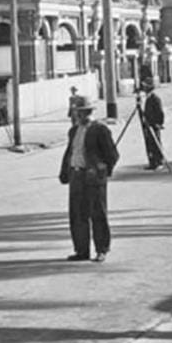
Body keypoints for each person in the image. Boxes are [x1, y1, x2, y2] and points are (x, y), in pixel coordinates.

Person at [58, 95, 119, 262]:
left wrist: (102, 170)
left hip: (93, 177)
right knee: (77, 214)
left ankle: (101, 250)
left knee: (97, 213)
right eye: (78, 112)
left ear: (89, 112)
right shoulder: (73, 131)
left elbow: (112, 154)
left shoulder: (100, 129)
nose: (80, 116)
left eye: (83, 112)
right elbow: (70, 152)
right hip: (76, 176)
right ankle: (81, 250)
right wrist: (65, 172)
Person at [139, 76, 165, 170]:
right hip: (148, 124)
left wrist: (159, 123)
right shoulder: (147, 98)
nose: (144, 88)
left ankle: (159, 161)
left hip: (154, 124)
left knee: (156, 143)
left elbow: (160, 112)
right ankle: (152, 162)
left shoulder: (155, 98)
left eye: (146, 86)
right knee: (149, 143)